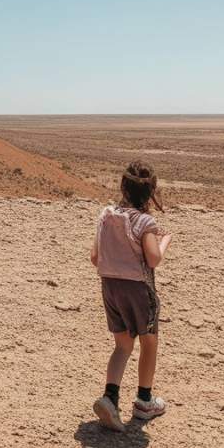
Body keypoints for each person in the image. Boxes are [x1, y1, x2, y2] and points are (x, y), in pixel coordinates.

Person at [90, 160, 172, 431]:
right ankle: (144, 402)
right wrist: (164, 241)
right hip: (138, 289)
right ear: (150, 192)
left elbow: (95, 257)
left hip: (110, 287)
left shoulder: (106, 215)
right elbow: (154, 259)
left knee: (122, 345)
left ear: (123, 186)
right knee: (149, 342)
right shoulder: (145, 221)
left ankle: (110, 397)